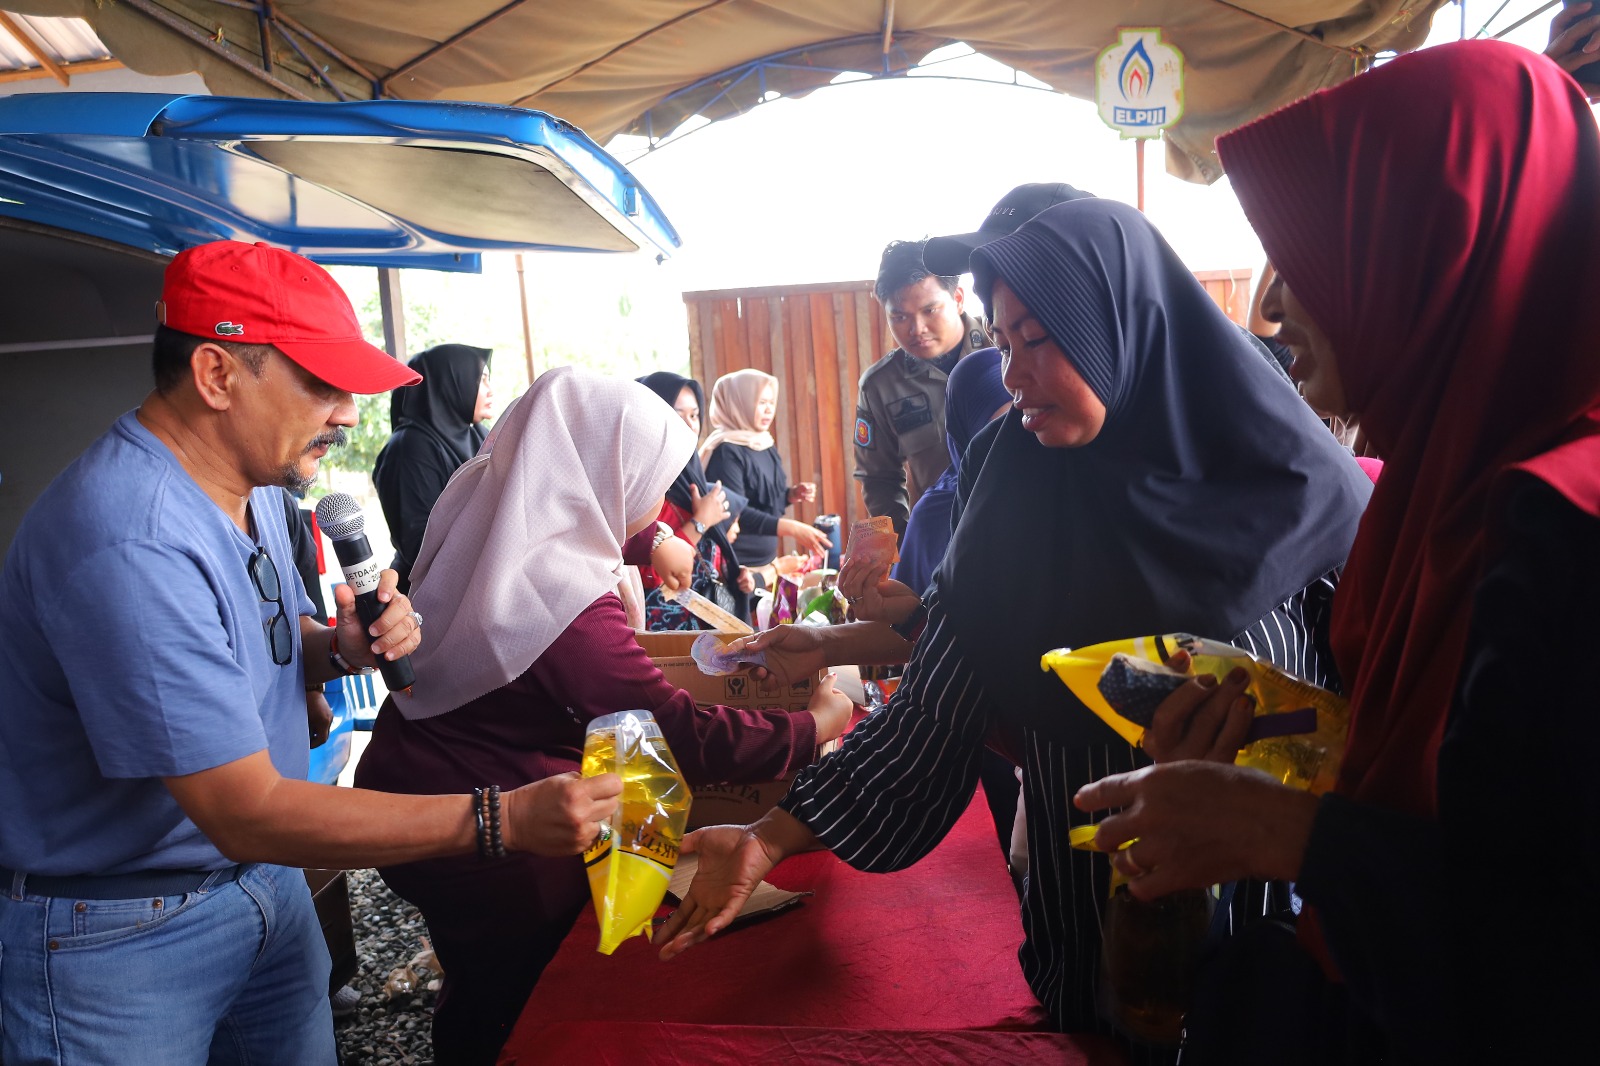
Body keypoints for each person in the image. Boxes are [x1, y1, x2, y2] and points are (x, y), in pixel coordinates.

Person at [659, 200, 1372, 1052]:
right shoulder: (1018, 486)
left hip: (1271, 946)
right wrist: (767, 839)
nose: (1009, 375)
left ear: (1120, 326)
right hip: (1090, 946)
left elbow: (1383, 708)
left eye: (1037, 340)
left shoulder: (1289, 478)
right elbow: (934, 711)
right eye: (1001, 343)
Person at [1073, 41, 1600, 1064]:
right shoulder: (1433, 492)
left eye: (1315, 251)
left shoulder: (1567, 527)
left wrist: (1288, 836)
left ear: (1432, 251)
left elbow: (1561, 953)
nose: (1272, 308)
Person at [0, 241, 622, 1065]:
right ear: (218, 376)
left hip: (258, 887)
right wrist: (500, 818)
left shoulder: (252, 488)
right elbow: (244, 807)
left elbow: (257, 640)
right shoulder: (132, 538)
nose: (348, 415)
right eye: (322, 384)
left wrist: (340, 647)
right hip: (122, 931)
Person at [355, 366, 853, 1065]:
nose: (656, 499)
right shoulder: (561, 605)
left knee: (475, 976)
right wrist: (818, 724)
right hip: (481, 827)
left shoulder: (488, 505)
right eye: (648, 479)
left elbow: (570, 518)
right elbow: (678, 732)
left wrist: (649, 541)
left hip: (419, 777)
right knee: (517, 997)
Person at [853, 239, 991, 536]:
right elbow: (879, 480)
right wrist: (909, 549)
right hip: (944, 545)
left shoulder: (1005, 344)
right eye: (899, 316)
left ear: (957, 298)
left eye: (930, 310)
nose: (916, 329)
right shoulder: (881, 386)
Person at [373, 343, 493, 593]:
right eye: (481, 380)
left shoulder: (479, 435)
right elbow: (419, 544)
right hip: (429, 597)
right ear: (451, 382)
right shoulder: (409, 448)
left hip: (478, 583)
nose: (490, 390)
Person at [891, 348, 1011, 597]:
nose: (1008, 445)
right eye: (993, 431)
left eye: (1016, 423)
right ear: (965, 430)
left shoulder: (1051, 491)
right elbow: (906, 621)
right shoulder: (933, 517)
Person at [635, 370, 748, 626]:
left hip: (706, 620)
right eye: (678, 414)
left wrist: (735, 573)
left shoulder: (691, 480)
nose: (690, 424)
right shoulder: (641, 488)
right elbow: (647, 573)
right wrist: (700, 523)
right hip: (666, 632)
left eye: (694, 415)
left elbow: (709, 560)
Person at [701, 368, 830, 567]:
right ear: (739, 404)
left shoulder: (763, 442)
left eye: (771, 402)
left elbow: (761, 500)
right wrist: (791, 528)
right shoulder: (726, 451)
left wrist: (790, 495)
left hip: (766, 561)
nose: (769, 410)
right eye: (761, 403)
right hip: (739, 565)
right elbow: (734, 511)